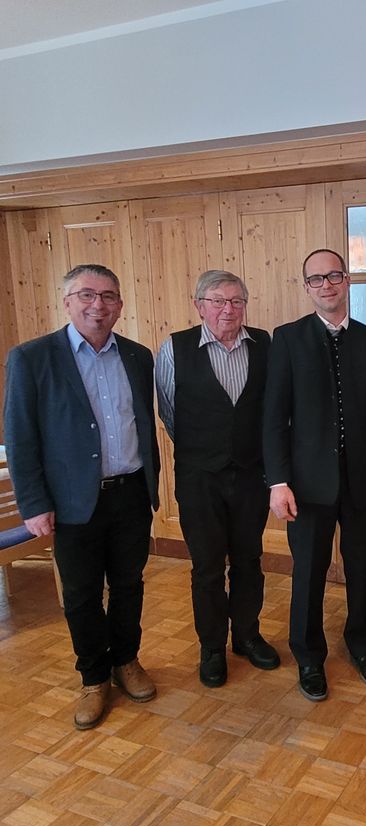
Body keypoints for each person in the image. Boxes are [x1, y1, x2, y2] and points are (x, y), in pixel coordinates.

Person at [3, 264, 160, 730]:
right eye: (87, 295)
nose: (99, 305)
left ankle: (126, 660)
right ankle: (94, 677)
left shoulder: (137, 355)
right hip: (72, 502)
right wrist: (33, 505)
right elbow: (21, 437)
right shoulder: (32, 358)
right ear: (66, 300)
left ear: (120, 305)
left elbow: (144, 424)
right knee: (81, 594)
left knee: (129, 584)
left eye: (109, 295)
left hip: (130, 493)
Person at [263, 248, 366, 701]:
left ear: (346, 281)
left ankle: (362, 645)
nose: (326, 284)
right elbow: (274, 416)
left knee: (362, 569)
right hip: (305, 486)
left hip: (363, 481)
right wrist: (277, 482)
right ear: (306, 287)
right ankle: (308, 656)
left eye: (334, 275)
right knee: (308, 572)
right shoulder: (286, 339)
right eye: (315, 278)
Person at [155, 270, 279, 688]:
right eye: (218, 301)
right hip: (199, 478)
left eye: (237, 301)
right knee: (207, 568)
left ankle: (246, 635)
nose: (229, 309)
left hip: (251, 475)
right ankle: (212, 648)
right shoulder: (174, 348)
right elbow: (169, 412)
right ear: (199, 306)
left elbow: (272, 409)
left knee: (249, 561)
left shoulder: (264, 343)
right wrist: (205, 449)